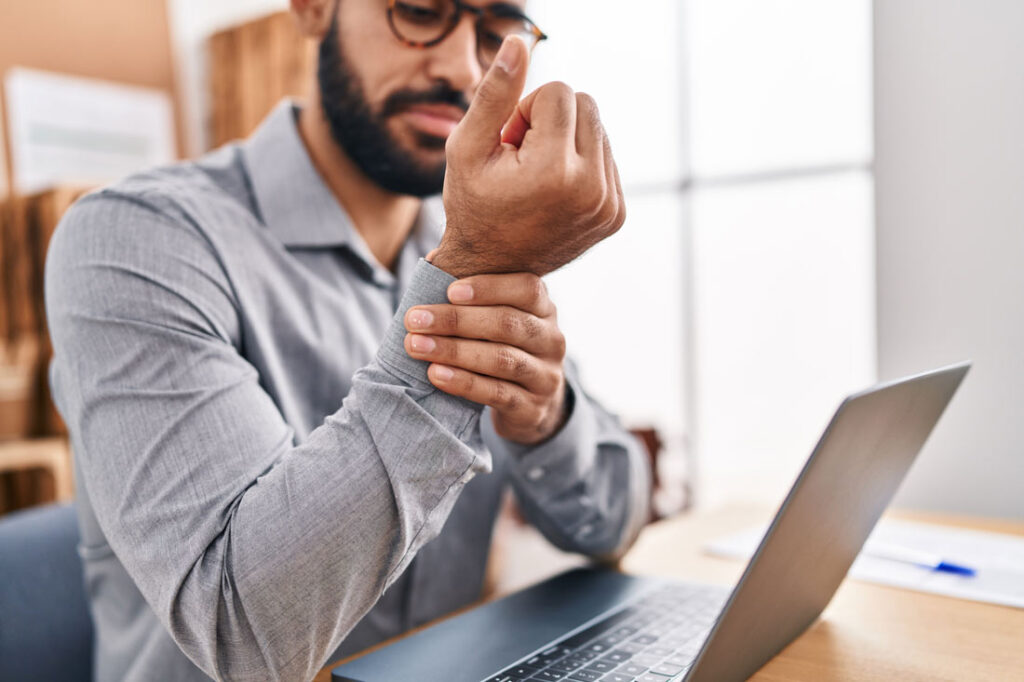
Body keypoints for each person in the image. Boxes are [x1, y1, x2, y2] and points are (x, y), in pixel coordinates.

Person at [44, 0, 649, 680]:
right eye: (419, 11)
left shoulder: (471, 243)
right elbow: (244, 635)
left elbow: (615, 522)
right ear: (311, 9)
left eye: (494, 32)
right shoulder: (138, 238)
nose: (462, 68)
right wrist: (473, 272)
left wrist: (547, 421)